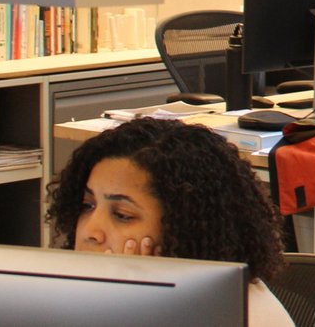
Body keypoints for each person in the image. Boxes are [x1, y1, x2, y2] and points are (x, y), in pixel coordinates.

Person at [46, 117, 292, 327]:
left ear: (185, 227)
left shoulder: (239, 315)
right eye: (87, 206)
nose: (90, 231)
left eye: (122, 215)